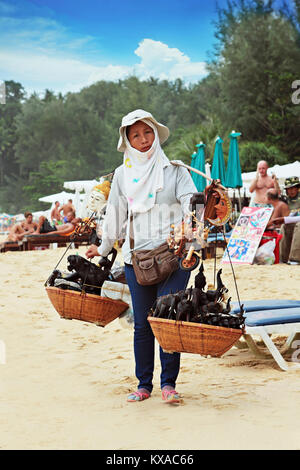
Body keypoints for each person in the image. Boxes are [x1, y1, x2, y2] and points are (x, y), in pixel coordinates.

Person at [86, 109, 198, 404]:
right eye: (135, 135)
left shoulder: (175, 170)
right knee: (143, 323)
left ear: (156, 133)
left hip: (173, 257)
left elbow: (192, 201)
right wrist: (102, 248)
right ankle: (144, 384)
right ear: (127, 140)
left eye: (147, 132)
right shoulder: (122, 175)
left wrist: (191, 219)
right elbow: (115, 216)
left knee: (167, 319)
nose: (143, 139)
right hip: (136, 258)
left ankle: (169, 384)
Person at [275, 177, 300, 264]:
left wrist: (285, 219)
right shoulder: (293, 200)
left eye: (293, 188)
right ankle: (283, 258)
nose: (291, 191)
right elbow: (293, 214)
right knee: (284, 226)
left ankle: (295, 259)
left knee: (299, 225)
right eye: (288, 189)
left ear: (298, 188)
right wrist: (283, 221)